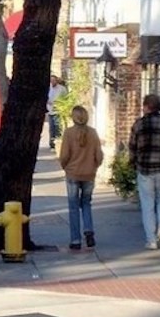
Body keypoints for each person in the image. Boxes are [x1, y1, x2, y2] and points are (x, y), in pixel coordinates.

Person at [129, 94, 160, 250]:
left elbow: (132, 148)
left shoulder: (138, 125)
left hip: (144, 170)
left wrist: (133, 163)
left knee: (147, 204)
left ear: (146, 107)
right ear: (159, 107)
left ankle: (151, 240)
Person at [58, 105, 103, 250]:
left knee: (73, 206)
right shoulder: (93, 133)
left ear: (73, 117)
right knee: (86, 203)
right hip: (89, 173)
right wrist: (94, 166)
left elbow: (64, 155)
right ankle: (88, 230)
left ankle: (75, 239)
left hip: (73, 173)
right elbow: (99, 155)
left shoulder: (69, 133)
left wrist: (65, 166)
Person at [46, 74, 67, 149]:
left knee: (57, 127)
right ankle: (52, 143)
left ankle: (57, 143)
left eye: (54, 80)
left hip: (59, 110)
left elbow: (66, 98)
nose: (52, 82)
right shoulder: (48, 88)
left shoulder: (62, 89)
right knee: (51, 128)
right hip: (50, 110)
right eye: (51, 81)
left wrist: (60, 104)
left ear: (57, 81)